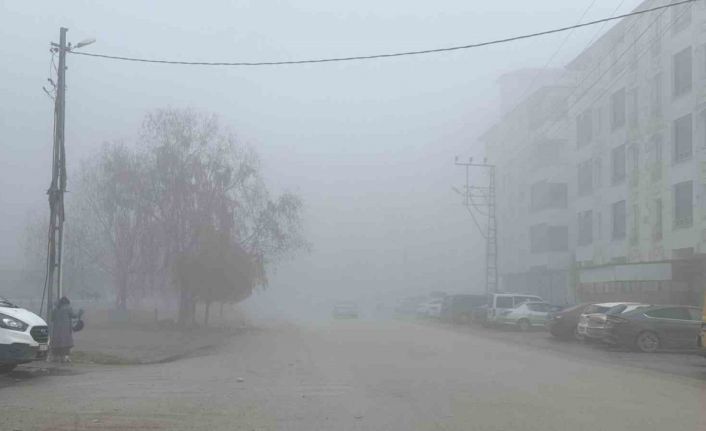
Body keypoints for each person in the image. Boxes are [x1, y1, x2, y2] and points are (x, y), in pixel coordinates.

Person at [49, 296, 82, 363]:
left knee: (57, 344)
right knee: (65, 344)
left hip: (56, 331)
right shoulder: (68, 308)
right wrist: (80, 313)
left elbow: (52, 319)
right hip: (65, 330)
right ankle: (65, 358)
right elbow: (74, 315)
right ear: (66, 303)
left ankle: (55, 358)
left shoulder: (55, 309)